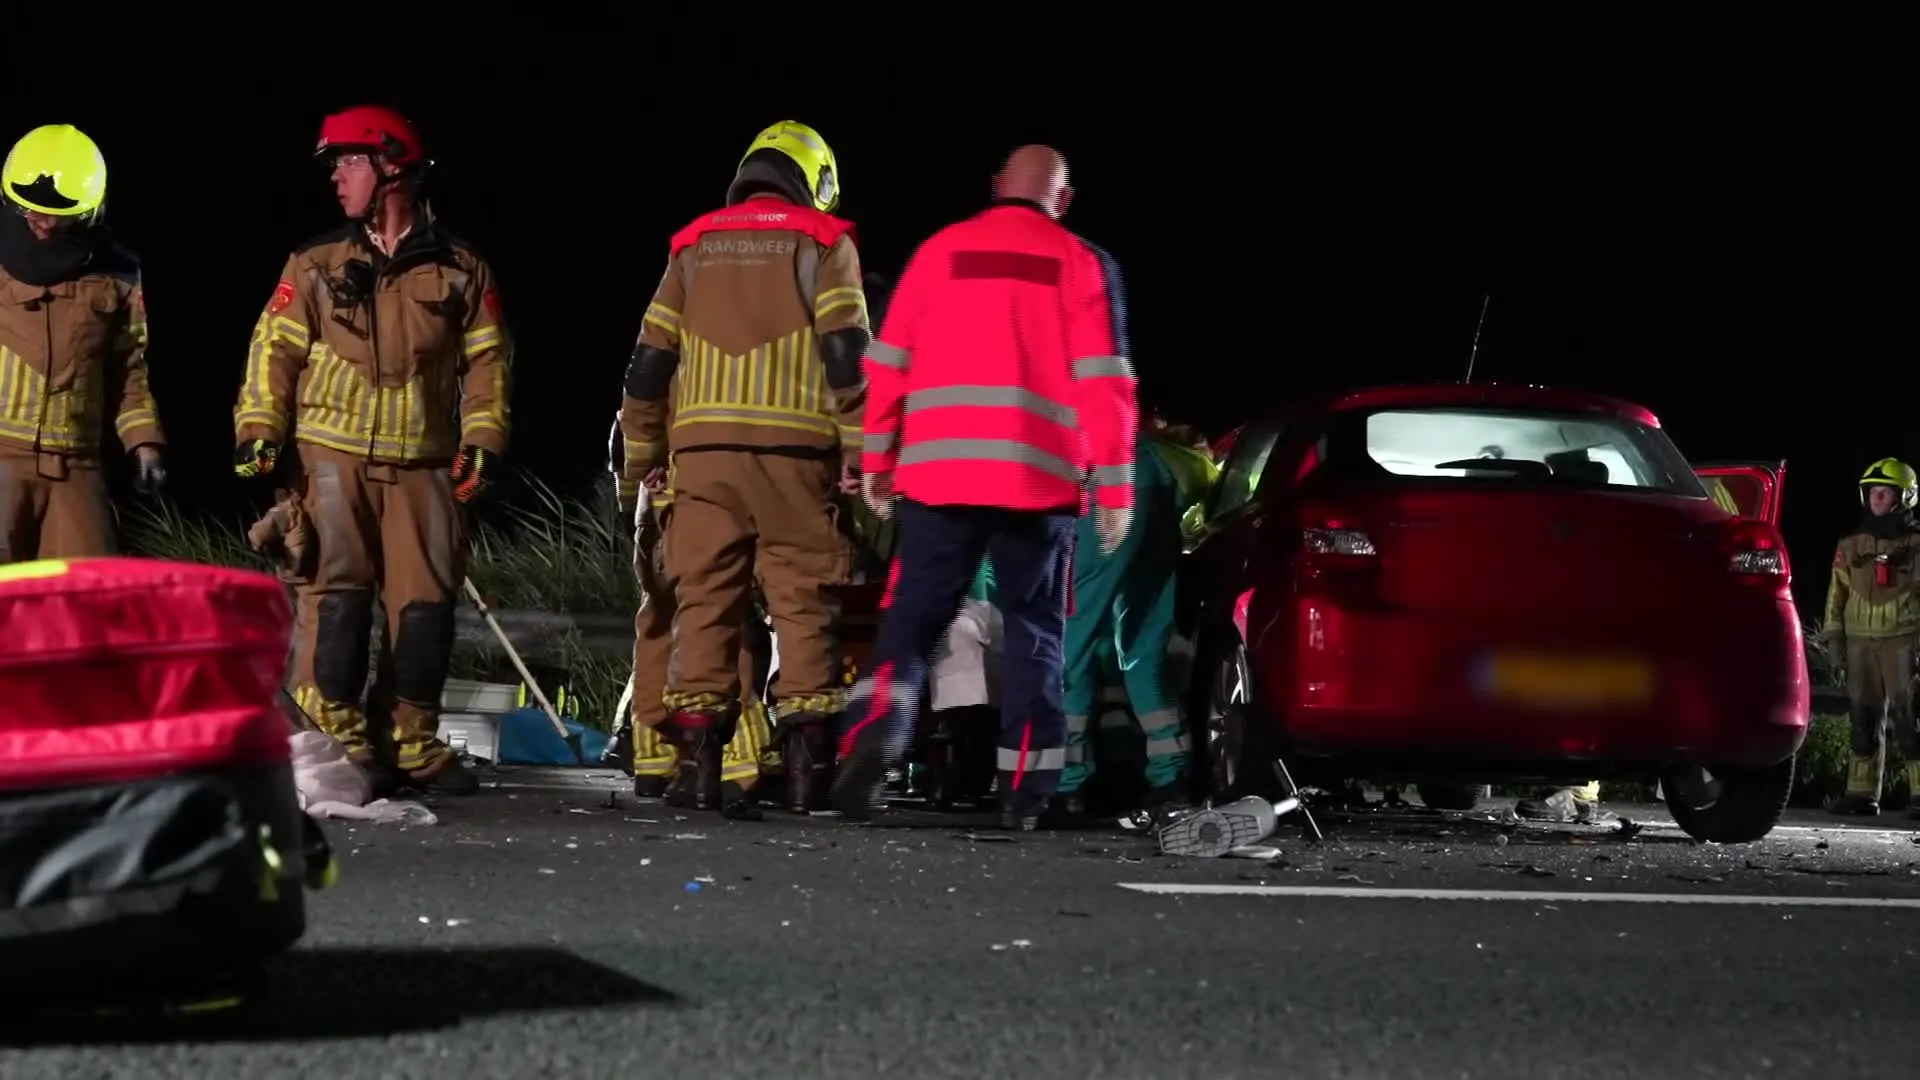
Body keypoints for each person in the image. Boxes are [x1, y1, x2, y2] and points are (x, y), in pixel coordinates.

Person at [837, 144, 1138, 830]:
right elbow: (1105, 385)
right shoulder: (1083, 263)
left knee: (911, 623)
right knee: (1035, 635)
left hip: (939, 477)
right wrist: (1116, 491)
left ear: (997, 186)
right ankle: (1024, 792)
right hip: (1039, 483)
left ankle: (879, 726)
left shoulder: (939, 251)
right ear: (1063, 200)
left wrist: (878, 460)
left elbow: (889, 365)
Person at [232, 105, 511, 795]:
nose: (336, 176)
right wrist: (258, 430)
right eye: (334, 164)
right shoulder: (316, 262)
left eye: (349, 162)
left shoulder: (462, 268)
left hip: (426, 465)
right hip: (330, 458)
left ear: (392, 168)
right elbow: (273, 351)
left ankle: (409, 743)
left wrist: (484, 440)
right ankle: (334, 745)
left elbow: (489, 365)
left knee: (425, 611)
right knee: (337, 604)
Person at [617, 120, 869, 813]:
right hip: (798, 460)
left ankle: (697, 772)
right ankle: (807, 780)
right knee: (804, 610)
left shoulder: (693, 245)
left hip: (703, 460)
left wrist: (644, 455)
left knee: (704, 607)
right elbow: (847, 351)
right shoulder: (825, 242)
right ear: (816, 181)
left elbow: (649, 362)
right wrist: (861, 449)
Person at [0, 124, 164, 562]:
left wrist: (144, 442)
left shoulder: (118, 273)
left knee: (88, 584)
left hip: (76, 462)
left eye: (55, 213)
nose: (41, 222)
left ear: (89, 210)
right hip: (2, 453)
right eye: (30, 209)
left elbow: (129, 367)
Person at [609, 415, 772, 816]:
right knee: (723, 625)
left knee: (658, 625)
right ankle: (736, 766)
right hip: (707, 501)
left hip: (653, 509)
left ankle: (655, 762)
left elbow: (626, 440)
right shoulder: (722, 388)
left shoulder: (656, 386)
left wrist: (637, 506)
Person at [1057, 419, 1196, 819]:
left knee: (1070, 639)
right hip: (1150, 477)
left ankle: (1066, 783)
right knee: (1143, 644)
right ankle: (1171, 776)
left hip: (1098, 481)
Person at [1822, 457, 1920, 817]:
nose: (1877, 499)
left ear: (1905, 496)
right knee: (1862, 718)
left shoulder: (1917, 545)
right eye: (1872, 492)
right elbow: (1836, 593)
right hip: (1859, 642)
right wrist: (1834, 637)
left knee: (1910, 717)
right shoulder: (1850, 545)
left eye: (1885, 493)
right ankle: (1861, 795)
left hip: (1904, 640)